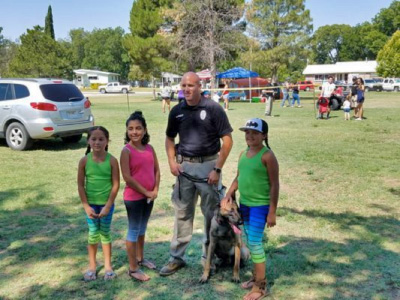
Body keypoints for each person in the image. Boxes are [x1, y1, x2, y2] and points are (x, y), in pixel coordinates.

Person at [160, 72, 233, 276]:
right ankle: (177, 258)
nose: (186, 89)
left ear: (200, 86)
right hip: (184, 169)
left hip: (209, 167)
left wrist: (217, 169)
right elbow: (169, 138)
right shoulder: (176, 111)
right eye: (183, 85)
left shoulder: (213, 109)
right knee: (182, 213)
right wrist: (172, 161)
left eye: (191, 85)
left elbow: (227, 141)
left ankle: (209, 258)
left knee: (211, 215)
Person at [221, 118, 279, 300]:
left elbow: (274, 185)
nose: (250, 136)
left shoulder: (267, 156)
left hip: (260, 207)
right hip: (244, 205)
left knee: (254, 243)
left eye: (255, 133)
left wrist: (272, 211)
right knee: (247, 238)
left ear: (264, 135)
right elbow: (239, 178)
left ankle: (260, 287)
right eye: (247, 132)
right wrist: (228, 193)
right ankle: (256, 277)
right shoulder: (243, 154)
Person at [120, 111, 160, 282]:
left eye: (138, 128)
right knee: (134, 230)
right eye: (130, 129)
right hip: (134, 198)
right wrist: (146, 192)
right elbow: (127, 177)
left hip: (149, 197)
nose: (134, 132)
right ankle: (133, 268)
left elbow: (156, 170)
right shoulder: (126, 151)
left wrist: (155, 189)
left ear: (144, 130)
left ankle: (140, 258)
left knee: (142, 229)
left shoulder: (150, 148)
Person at [77, 126, 120, 281]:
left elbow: (116, 185)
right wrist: (86, 206)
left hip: (106, 205)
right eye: (93, 139)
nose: (97, 142)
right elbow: (80, 185)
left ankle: (108, 267)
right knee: (93, 234)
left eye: (101, 139)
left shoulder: (113, 161)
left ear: (107, 141)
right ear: (88, 141)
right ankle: (92, 267)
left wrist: (108, 205)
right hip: (91, 205)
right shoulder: (84, 161)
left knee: (105, 233)